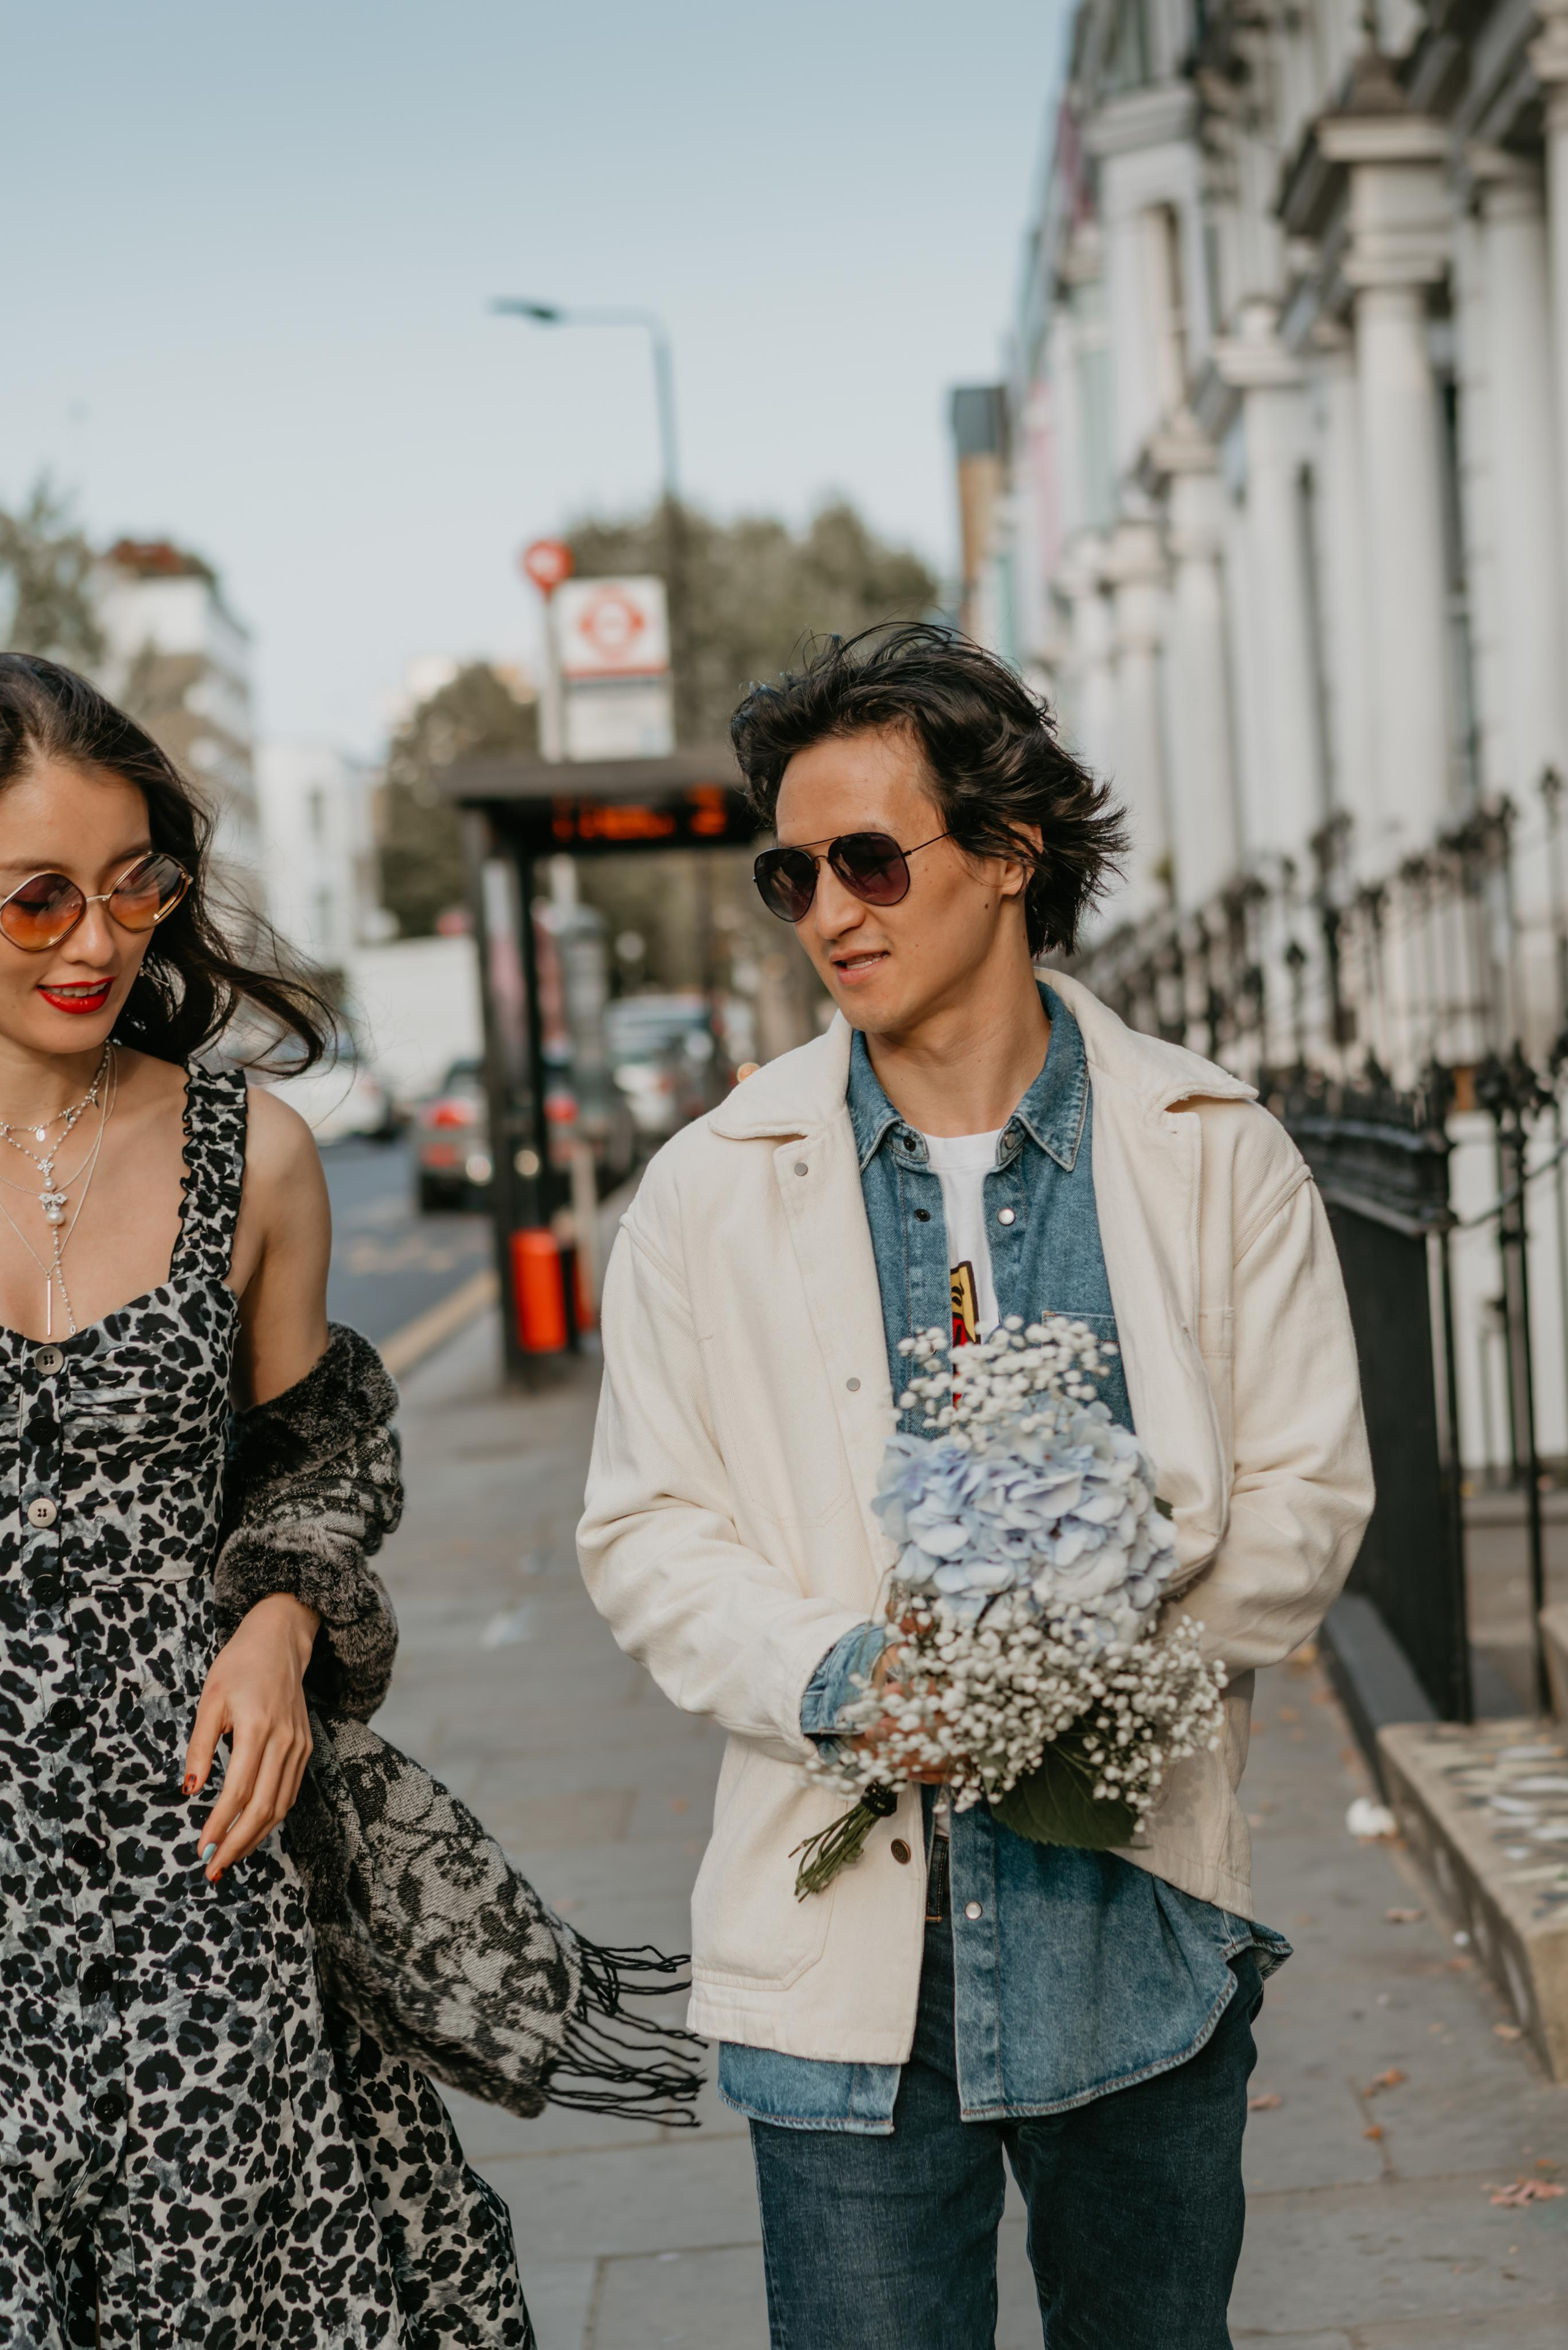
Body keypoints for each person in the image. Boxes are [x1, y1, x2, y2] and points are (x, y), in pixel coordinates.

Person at [578, 623, 1374, 2349]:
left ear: (1010, 851)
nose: (830, 912)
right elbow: (645, 1531)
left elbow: (1309, 1493)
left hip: (1135, 1925)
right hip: (845, 1953)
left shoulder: (1211, 1148)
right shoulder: (711, 1189)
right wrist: (850, 1680)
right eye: (794, 875)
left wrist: (1084, 1669)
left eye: (870, 859)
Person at [0, 655, 531, 2348]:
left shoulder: (260, 1154)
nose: (97, 942)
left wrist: (277, 1626)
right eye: (37, 898)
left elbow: (314, 1453)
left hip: (198, 1851)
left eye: (136, 885)